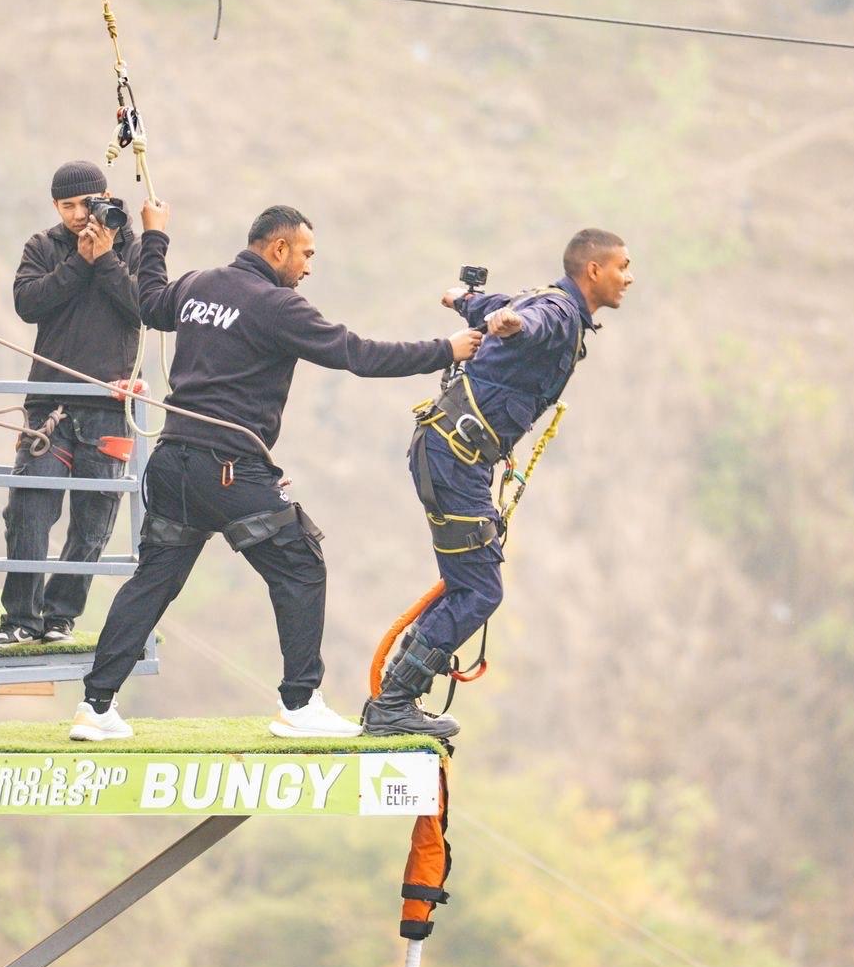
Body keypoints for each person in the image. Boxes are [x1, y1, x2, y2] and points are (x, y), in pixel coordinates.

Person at [70, 201, 483, 741]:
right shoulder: (277, 306)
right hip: (228, 468)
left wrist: (155, 237)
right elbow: (355, 353)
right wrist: (444, 349)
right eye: (306, 254)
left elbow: (148, 302)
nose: (309, 267)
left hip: (172, 465)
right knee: (301, 565)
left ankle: (95, 707)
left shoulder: (197, 286)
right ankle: (300, 703)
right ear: (278, 248)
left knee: (153, 581)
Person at [362, 229, 633, 739]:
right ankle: (393, 701)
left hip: (453, 456)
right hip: (454, 460)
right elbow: (523, 321)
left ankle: (394, 698)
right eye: (623, 266)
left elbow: (497, 305)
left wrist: (463, 299)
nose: (629, 276)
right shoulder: (556, 314)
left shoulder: (543, 299)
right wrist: (508, 324)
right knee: (479, 590)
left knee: (470, 584)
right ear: (593, 270)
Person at [0, 161, 141, 648]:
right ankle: (19, 618)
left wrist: (107, 259)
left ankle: (60, 614)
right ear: (56, 206)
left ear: (106, 199)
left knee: (94, 518)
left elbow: (144, 307)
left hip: (111, 405)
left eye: (87, 204)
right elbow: (28, 303)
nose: (79, 215)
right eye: (68, 205)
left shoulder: (134, 248)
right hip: (50, 403)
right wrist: (79, 261)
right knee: (29, 507)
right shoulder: (43, 246)